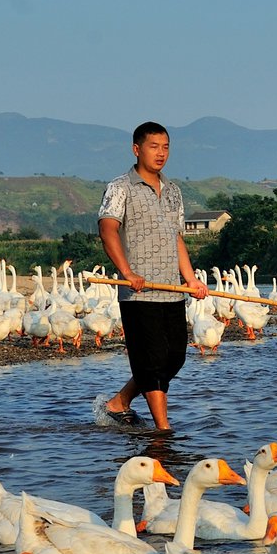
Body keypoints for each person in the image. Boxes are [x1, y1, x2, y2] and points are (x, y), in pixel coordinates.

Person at [97, 121, 208, 432]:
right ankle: (163, 430)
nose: (161, 153)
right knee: (153, 360)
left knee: (174, 359)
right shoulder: (120, 188)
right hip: (139, 292)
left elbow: (176, 238)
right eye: (154, 146)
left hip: (171, 289)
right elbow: (108, 230)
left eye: (166, 147)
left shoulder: (173, 191)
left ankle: (119, 403)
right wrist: (127, 271)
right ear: (136, 149)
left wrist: (190, 279)